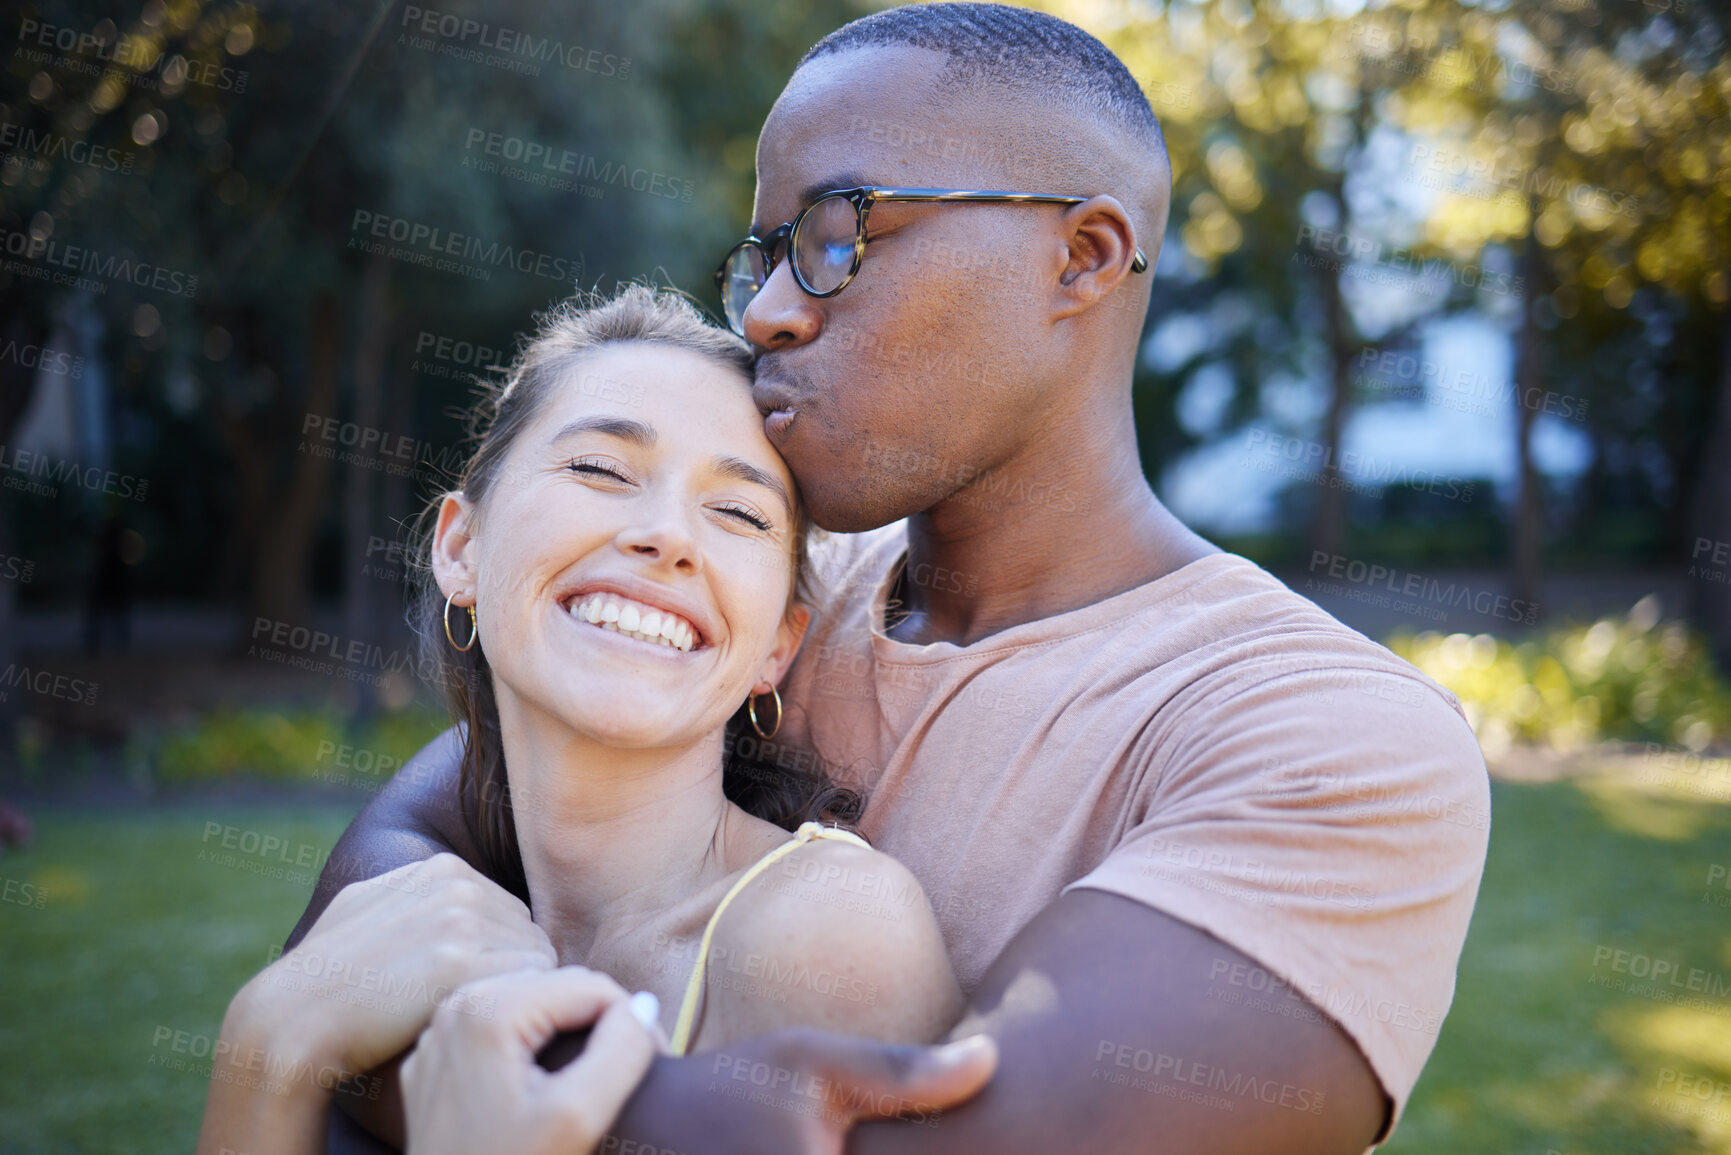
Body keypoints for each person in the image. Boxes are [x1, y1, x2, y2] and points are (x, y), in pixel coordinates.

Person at [295, 5, 1491, 1153]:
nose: (767, 313)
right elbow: (400, 847)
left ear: (1080, 259)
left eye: (837, 237)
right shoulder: (756, 599)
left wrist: (415, 1059)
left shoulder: (1332, 739)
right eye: (763, 256)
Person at [197, 287, 990, 1155]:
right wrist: (262, 1048)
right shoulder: (418, 912)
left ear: (776, 646)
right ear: (461, 548)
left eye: (737, 511)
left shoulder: (826, 930)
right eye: (600, 469)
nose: (666, 535)